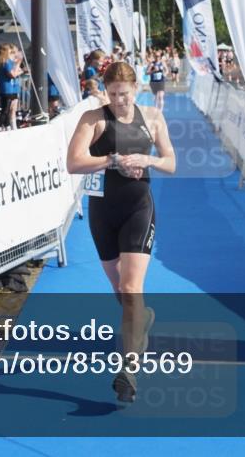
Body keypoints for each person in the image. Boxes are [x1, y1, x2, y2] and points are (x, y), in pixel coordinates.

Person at [66, 61, 176, 403]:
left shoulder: (153, 119)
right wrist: (111, 160)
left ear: (137, 89)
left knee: (131, 286)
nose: (119, 101)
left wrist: (149, 161)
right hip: (103, 210)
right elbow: (73, 162)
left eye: (124, 95)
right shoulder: (94, 119)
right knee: (120, 289)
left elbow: (171, 161)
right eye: (112, 94)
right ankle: (142, 317)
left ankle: (129, 368)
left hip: (138, 207)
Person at [0, 44, 24, 130]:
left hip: (10, 89)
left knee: (8, 110)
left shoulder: (7, 62)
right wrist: (18, 64)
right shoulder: (6, 62)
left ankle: (7, 126)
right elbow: (13, 74)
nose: (12, 53)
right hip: (6, 90)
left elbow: (17, 72)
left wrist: (19, 69)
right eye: (11, 51)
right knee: (5, 110)